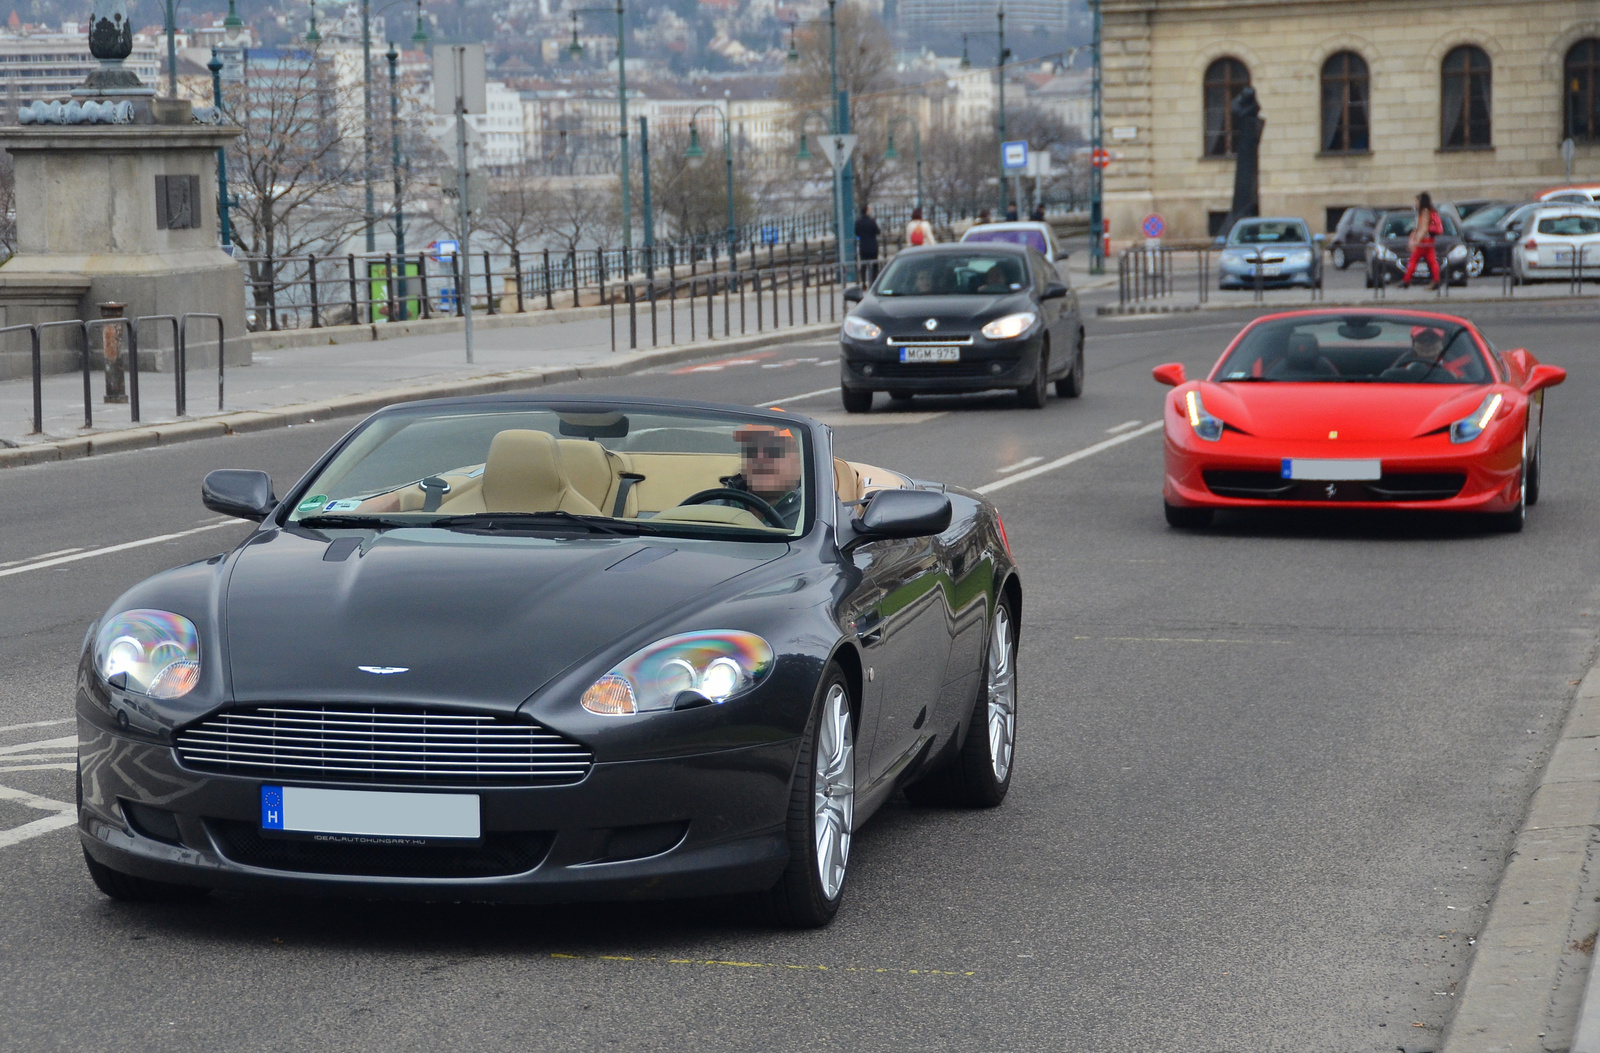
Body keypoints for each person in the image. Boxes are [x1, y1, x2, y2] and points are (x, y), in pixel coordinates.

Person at [724, 424, 804, 529]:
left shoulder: (822, 513)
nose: (760, 458)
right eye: (752, 450)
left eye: (774, 451)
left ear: (800, 463)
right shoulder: (710, 509)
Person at [1402, 192, 1443, 290]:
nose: (1415, 203)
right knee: (1432, 261)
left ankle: (1406, 280)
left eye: (1417, 201)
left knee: (1413, 260)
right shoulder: (1430, 211)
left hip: (1424, 242)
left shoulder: (1424, 212)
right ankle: (1436, 280)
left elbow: (1423, 229)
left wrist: (1416, 241)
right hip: (1429, 241)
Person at [854, 204, 881, 284]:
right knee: (875, 265)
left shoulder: (858, 222)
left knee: (863, 265)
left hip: (863, 246)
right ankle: (873, 281)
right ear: (866, 211)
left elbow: (856, 233)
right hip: (873, 246)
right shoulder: (872, 221)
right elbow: (878, 232)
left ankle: (863, 283)